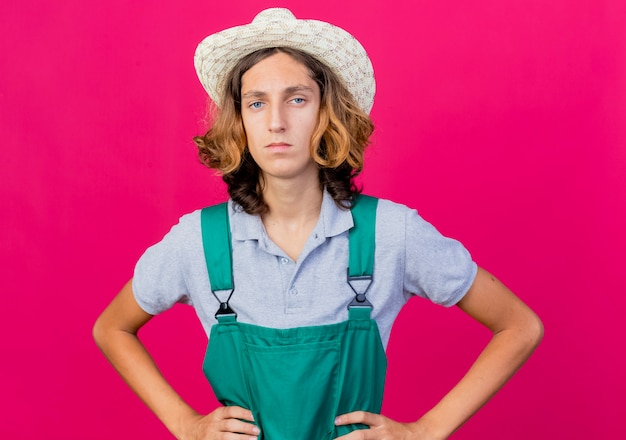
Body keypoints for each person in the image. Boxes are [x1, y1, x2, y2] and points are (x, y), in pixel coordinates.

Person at [93, 8, 543, 440]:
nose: (276, 122)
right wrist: (185, 424)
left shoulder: (390, 233)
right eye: (256, 103)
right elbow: (111, 327)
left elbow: (520, 325)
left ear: (327, 113)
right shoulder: (199, 241)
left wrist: (425, 431)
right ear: (239, 122)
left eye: (297, 99)